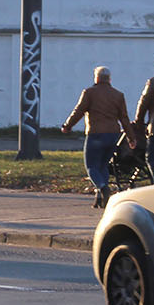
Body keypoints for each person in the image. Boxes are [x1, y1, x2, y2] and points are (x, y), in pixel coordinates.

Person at [60, 66, 137, 209]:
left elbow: (79, 111)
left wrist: (67, 125)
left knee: (91, 166)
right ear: (109, 79)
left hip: (95, 134)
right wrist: (131, 137)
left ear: (96, 78)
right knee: (103, 166)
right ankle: (99, 199)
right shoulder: (118, 95)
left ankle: (103, 187)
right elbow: (124, 119)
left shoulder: (89, 93)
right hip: (113, 135)